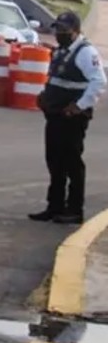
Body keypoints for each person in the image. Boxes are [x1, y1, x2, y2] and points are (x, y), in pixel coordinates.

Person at [30, 12, 107, 225]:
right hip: (55, 114)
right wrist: (45, 96)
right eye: (58, 29)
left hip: (72, 117)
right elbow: (57, 78)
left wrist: (79, 105)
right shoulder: (61, 51)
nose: (59, 34)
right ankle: (54, 206)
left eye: (64, 30)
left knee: (71, 162)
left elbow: (98, 82)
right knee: (54, 161)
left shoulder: (85, 52)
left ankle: (74, 209)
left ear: (76, 31)